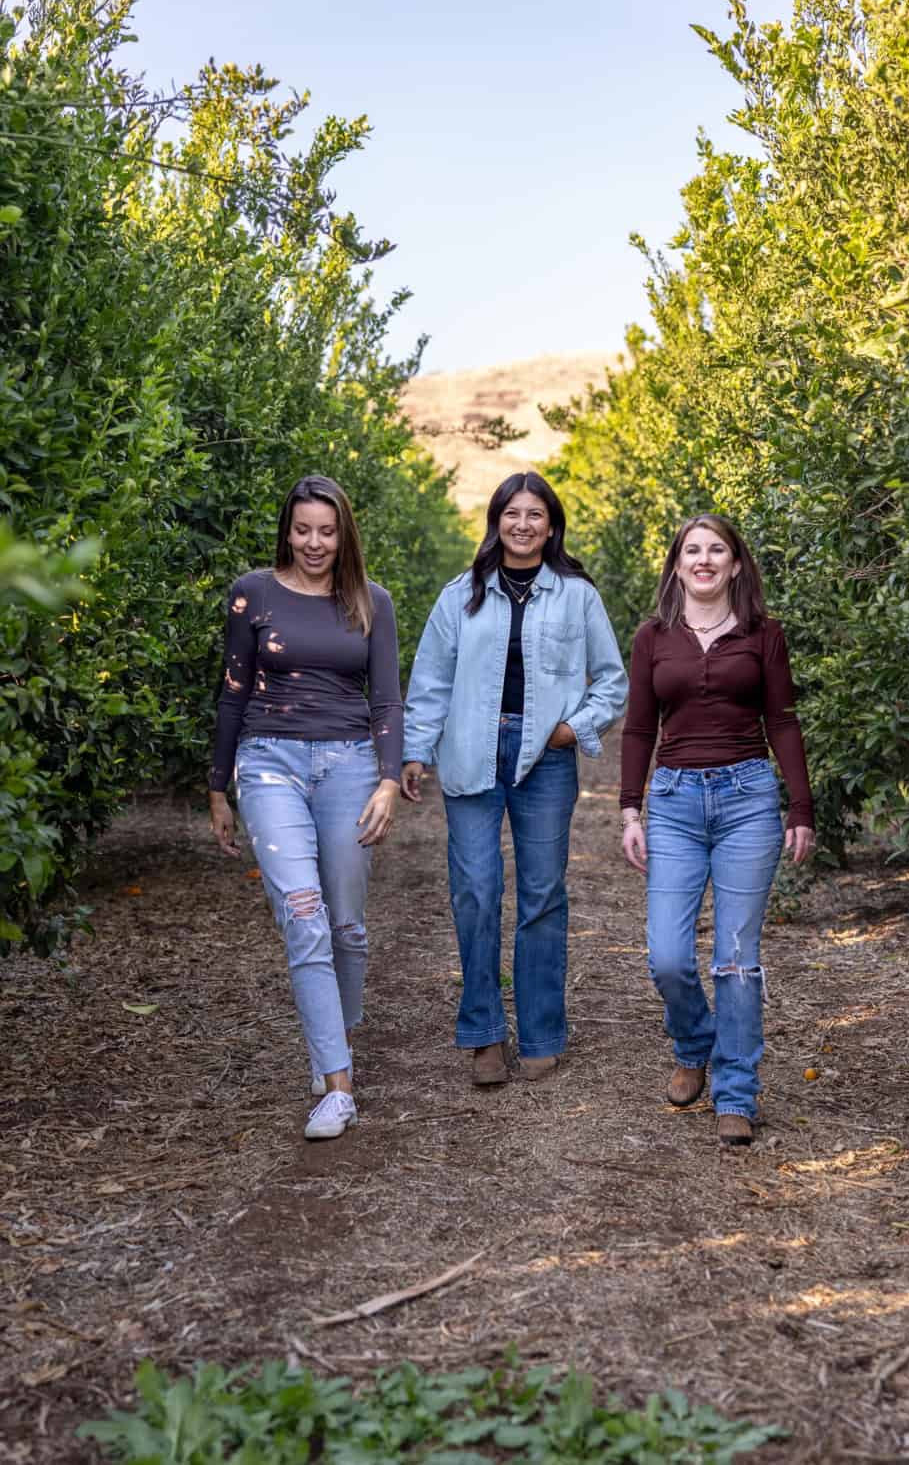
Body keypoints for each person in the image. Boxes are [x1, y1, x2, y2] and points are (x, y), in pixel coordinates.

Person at [402, 471, 628, 1085]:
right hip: (472, 752)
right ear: (495, 520)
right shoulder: (460, 596)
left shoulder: (577, 596)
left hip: (546, 760)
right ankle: (483, 1033)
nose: (522, 524)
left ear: (551, 526)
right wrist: (414, 752)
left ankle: (542, 1030)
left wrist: (570, 729)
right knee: (475, 892)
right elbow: (429, 685)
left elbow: (612, 681)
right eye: (512, 513)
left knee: (543, 896)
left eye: (535, 514)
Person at [208, 475, 402, 1141]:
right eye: (303, 529)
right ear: (286, 530)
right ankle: (338, 1086)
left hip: (350, 764)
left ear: (344, 533)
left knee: (346, 925)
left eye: (327, 530)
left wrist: (386, 781)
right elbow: (232, 692)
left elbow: (386, 701)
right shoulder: (252, 593)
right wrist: (217, 785)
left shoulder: (371, 602)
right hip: (269, 763)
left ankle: (336, 1041)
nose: (314, 543)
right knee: (304, 913)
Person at [620, 513, 815, 1149]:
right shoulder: (653, 637)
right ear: (677, 564)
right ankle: (694, 1041)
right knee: (668, 957)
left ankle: (736, 1091)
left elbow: (783, 722)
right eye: (692, 550)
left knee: (735, 960)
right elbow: (639, 729)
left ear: (735, 564)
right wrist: (630, 809)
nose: (703, 560)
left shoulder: (765, 635)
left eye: (717, 550)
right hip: (675, 802)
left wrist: (800, 806)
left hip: (747, 800)